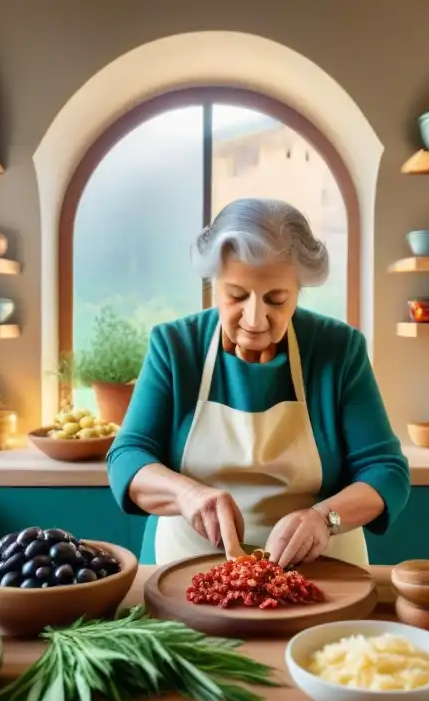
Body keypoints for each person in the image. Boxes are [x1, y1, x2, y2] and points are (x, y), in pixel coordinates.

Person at [106, 198, 410, 568]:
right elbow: (128, 457)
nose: (254, 318)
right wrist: (187, 495)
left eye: (276, 299)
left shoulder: (338, 349)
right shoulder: (175, 346)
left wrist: (324, 518)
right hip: (189, 564)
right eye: (236, 295)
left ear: (299, 290)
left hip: (320, 568)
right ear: (213, 283)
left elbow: (386, 470)